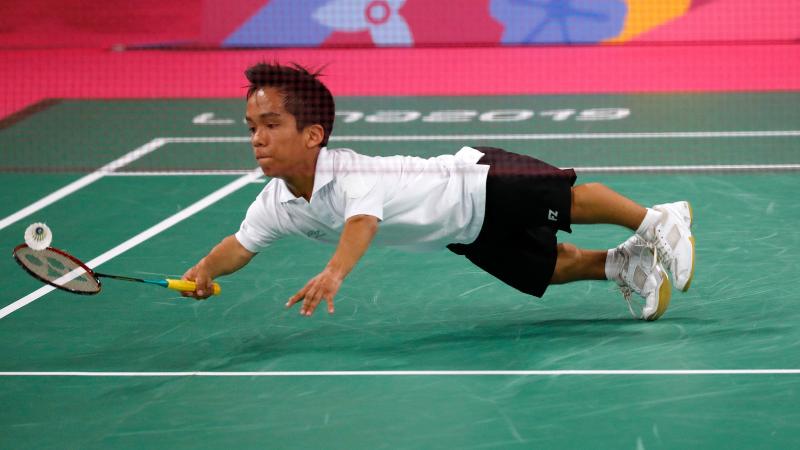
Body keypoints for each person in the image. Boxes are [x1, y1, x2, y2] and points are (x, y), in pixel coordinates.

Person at [181, 62, 695, 321]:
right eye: (251, 128)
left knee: (567, 200)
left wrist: (334, 272)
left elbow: (363, 223)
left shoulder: (350, 173)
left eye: (270, 125)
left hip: (473, 181)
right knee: (547, 267)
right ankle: (625, 264)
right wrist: (205, 268)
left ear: (312, 135)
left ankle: (657, 221)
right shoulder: (277, 203)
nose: (258, 139)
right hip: (461, 232)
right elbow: (240, 244)